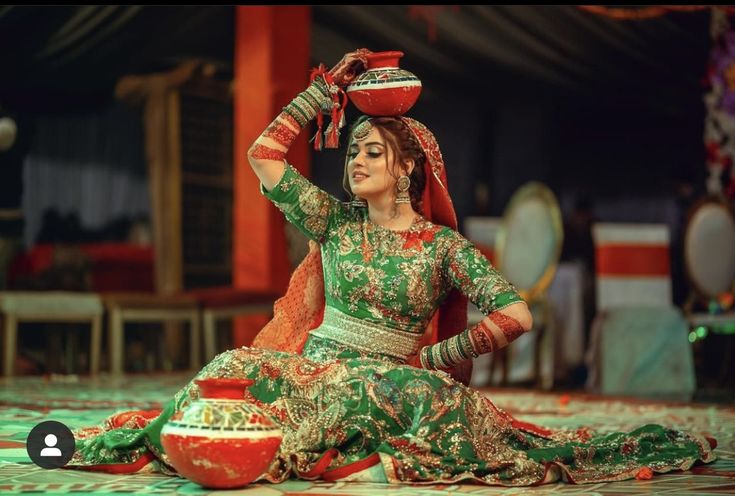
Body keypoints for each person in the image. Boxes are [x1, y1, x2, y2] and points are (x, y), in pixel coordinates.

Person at [67, 50, 715, 486]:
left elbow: (515, 313)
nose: (355, 161)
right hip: (316, 366)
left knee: (391, 395)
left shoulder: (442, 247)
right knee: (229, 369)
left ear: (408, 169)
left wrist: (431, 362)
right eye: (353, 150)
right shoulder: (336, 222)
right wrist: (323, 91)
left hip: (393, 379)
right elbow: (264, 156)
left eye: (371, 151)